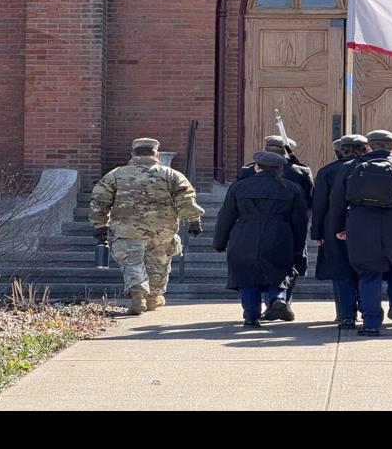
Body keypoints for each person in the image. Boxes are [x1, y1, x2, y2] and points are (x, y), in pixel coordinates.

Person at [324, 130, 392, 336]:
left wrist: (338, 228)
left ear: (368, 146)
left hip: (362, 226)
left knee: (368, 274)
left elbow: (337, 202)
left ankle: (371, 323)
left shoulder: (350, 167)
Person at [90, 138, 205, 316]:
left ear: (133, 154)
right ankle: (153, 297)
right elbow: (186, 199)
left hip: (128, 229)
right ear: (156, 154)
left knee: (132, 262)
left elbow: (100, 201)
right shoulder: (171, 175)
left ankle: (138, 294)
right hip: (163, 230)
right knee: (159, 264)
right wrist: (193, 220)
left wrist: (100, 224)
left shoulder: (115, 175)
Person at [213, 151, 308, 328]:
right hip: (279, 236)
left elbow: (226, 216)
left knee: (246, 277)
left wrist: (219, 241)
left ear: (257, 167)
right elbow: (300, 221)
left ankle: (251, 317)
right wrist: (298, 246)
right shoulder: (291, 188)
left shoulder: (240, 187)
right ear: (280, 169)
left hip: (244, 235)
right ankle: (277, 299)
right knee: (279, 272)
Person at [310, 134, 370, 328]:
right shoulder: (370, 168)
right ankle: (365, 306)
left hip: (333, 225)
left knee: (341, 272)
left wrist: (317, 233)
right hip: (365, 225)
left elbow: (319, 205)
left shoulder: (327, 171)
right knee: (366, 270)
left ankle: (346, 315)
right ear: (365, 149)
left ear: (340, 150)